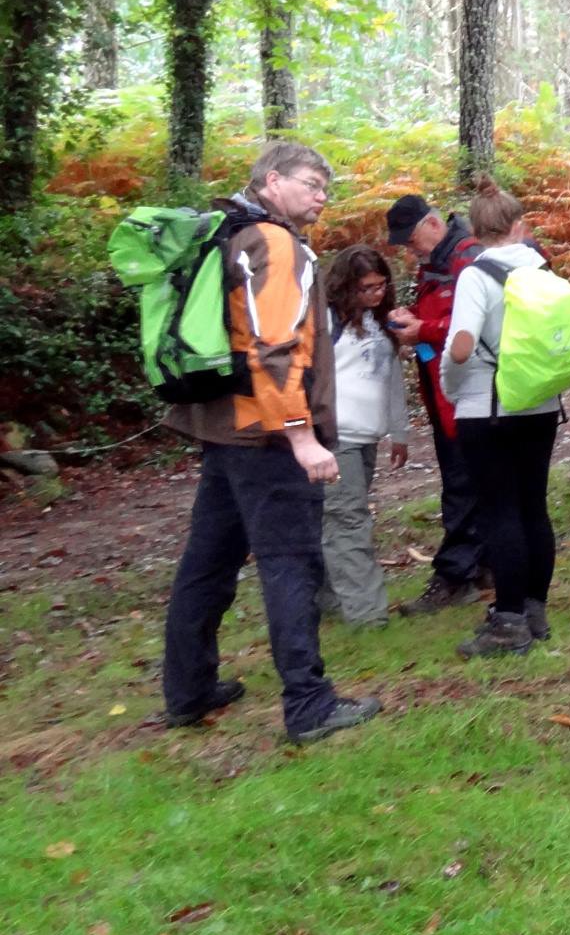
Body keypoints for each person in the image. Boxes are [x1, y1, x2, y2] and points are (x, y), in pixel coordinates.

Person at [158, 142, 381, 744]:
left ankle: (188, 690)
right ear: (272, 180)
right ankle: (309, 705)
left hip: (226, 427)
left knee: (207, 561)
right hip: (266, 436)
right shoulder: (276, 244)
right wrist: (301, 437)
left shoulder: (228, 233)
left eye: (326, 186)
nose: (321, 195)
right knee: (291, 564)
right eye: (311, 183)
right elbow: (276, 348)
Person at [441, 183, 564, 657]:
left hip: (486, 406)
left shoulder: (475, 275)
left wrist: (453, 384)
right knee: (533, 505)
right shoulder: (541, 269)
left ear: (473, 230)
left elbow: (462, 344)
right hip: (540, 401)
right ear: (519, 226)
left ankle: (508, 621)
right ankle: (534, 608)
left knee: (499, 510)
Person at [384, 195, 485, 611]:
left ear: (431, 224)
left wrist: (422, 329)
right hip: (445, 396)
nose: (411, 251)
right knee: (468, 484)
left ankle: (456, 576)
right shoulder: (437, 262)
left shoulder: (467, 258)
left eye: (412, 241)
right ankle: (483, 566)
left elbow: (476, 326)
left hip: (467, 396)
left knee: (462, 488)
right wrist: (414, 318)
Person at [321, 246, 410, 628]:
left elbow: (391, 380)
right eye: (365, 288)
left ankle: (325, 598)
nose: (374, 294)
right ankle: (368, 615)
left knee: (337, 520)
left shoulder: (382, 322)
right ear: (346, 287)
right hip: (334, 436)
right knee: (349, 520)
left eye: (380, 285)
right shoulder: (325, 322)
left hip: (368, 435)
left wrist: (399, 430)